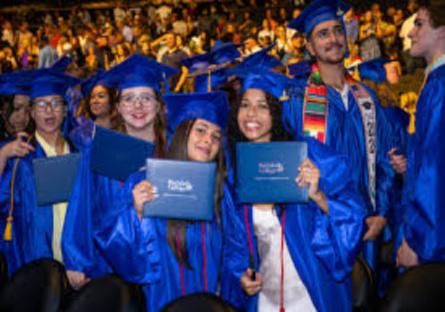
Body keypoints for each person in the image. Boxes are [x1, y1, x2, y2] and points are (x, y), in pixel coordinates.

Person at [221, 67, 365, 312]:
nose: (251, 114)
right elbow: (234, 243)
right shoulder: (234, 169)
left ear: (276, 112)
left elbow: (354, 214)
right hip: (265, 299)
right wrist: (240, 275)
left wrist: (319, 197)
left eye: (263, 106)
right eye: (245, 105)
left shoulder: (310, 154)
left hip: (313, 293)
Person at [285, 0, 395, 273]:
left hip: (367, 224)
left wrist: (381, 212)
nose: (333, 39)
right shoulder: (298, 101)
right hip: (320, 227)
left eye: (337, 31)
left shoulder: (366, 98)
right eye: (323, 34)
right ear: (309, 47)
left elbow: (384, 161)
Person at [94, 91, 230, 311]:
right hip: (159, 301)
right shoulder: (144, 181)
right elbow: (114, 246)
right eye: (201, 130)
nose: (208, 140)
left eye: (216, 136)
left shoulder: (220, 192)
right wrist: (135, 215)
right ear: (182, 133)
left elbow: (232, 252)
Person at [62, 54, 177, 290]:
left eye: (146, 98)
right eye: (128, 99)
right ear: (118, 106)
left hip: (167, 266)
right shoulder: (100, 150)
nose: (137, 106)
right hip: (111, 267)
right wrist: (76, 260)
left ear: (158, 105)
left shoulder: (175, 150)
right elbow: (81, 206)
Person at [0, 70, 80, 276]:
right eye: (41, 105)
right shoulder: (19, 157)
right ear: (32, 112)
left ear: (65, 110)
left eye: (55, 103)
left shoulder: (80, 154)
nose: (49, 111)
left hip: (75, 263)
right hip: (34, 259)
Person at [393, 0, 445, 267]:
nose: (411, 32)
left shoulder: (440, 87)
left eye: (419, 24)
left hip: (432, 237)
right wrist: (411, 167)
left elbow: (437, 173)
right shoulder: (434, 82)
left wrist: (418, 241)